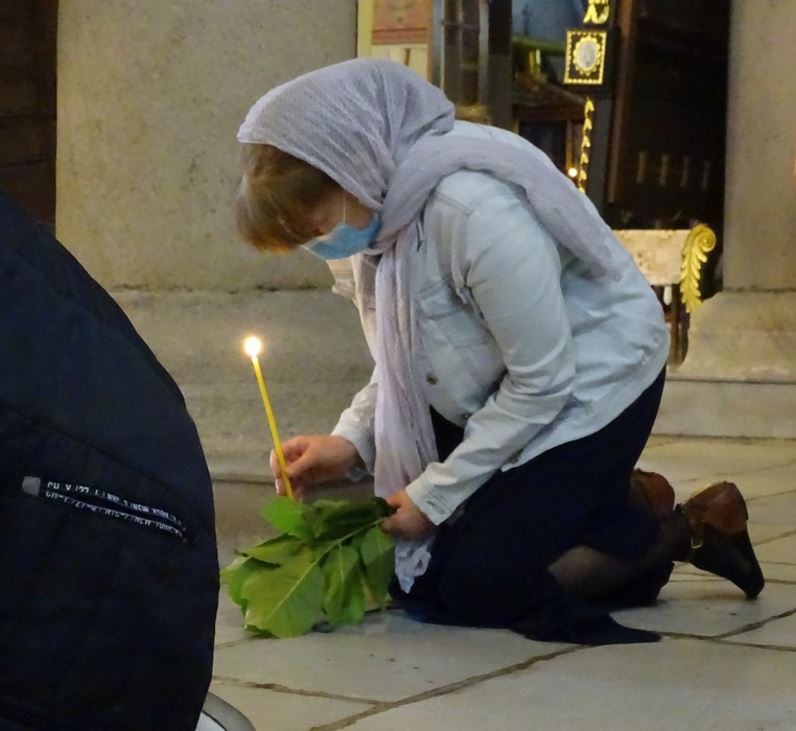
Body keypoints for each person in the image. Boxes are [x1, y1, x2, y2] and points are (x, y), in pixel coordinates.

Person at [234, 59, 764, 644]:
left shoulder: (473, 209)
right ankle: (606, 503)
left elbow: (543, 381)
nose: (320, 246)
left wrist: (432, 495)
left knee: (479, 582)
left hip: (593, 385)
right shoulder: (380, 224)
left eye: (314, 229)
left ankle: (685, 525)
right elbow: (407, 362)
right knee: (416, 576)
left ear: (353, 168)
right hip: (498, 387)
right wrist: (349, 442)